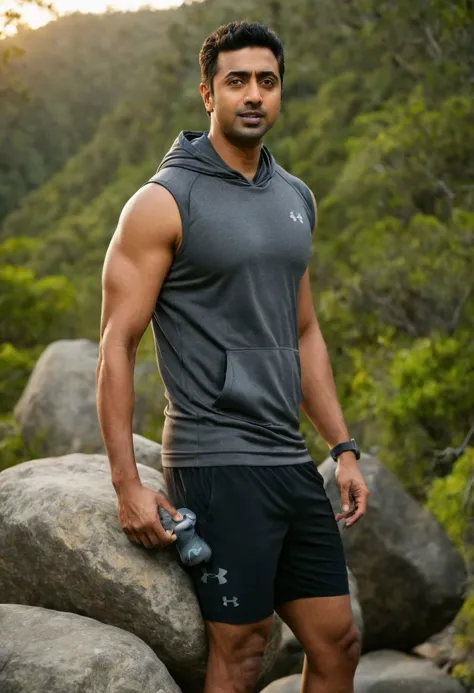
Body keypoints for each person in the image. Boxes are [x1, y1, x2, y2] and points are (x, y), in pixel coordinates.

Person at [96, 20, 369, 693]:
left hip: (287, 456)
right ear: (207, 94)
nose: (254, 94)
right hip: (216, 457)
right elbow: (116, 343)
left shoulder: (295, 197)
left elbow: (303, 330)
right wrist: (127, 483)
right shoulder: (162, 202)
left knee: (339, 639)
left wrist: (342, 446)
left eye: (267, 82)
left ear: (280, 94)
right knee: (243, 648)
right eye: (237, 80)